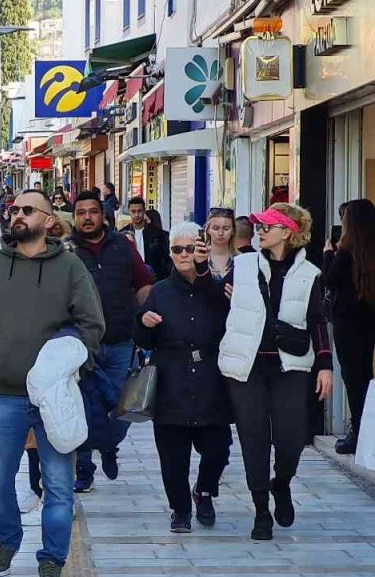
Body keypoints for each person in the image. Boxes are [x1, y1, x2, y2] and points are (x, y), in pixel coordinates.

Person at [0, 189, 106, 577]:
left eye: (26, 210)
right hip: (3, 392)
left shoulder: (71, 268)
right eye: (13, 210)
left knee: (58, 484)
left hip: (55, 395)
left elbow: (92, 325)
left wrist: (67, 355)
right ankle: (8, 539)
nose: (16, 215)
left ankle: (52, 559)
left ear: (48, 220)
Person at [219, 204, 333, 541]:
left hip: (291, 367)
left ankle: (280, 483)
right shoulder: (240, 266)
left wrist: (324, 365)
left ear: (288, 232)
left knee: (291, 439)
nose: (260, 231)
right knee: (254, 440)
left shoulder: (310, 273)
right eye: (258, 226)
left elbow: (318, 321)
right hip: (247, 367)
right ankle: (260, 512)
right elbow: (215, 300)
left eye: (268, 226)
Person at [136, 222, 233, 533]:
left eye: (190, 248)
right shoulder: (159, 291)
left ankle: (204, 491)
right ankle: (180, 510)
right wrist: (145, 324)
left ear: (201, 250)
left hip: (211, 383)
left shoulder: (217, 290)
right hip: (171, 384)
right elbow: (144, 342)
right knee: (173, 458)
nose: (183, 254)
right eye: (177, 249)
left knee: (218, 448)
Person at [69, 190, 154, 493]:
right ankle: (83, 467)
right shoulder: (67, 252)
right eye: (82, 212)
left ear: (103, 215)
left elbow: (143, 282)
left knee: (122, 407)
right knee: (80, 407)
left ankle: (107, 444)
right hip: (81, 346)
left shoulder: (123, 245)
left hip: (121, 341)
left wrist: (144, 319)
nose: (88, 217)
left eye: (93, 211)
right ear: (75, 217)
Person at [325, 198, 375, 454]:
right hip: (368, 321)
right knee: (365, 376)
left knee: (354, 379)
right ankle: (365, 432)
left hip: (348, 323)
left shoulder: (344, 254)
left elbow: (329, 280)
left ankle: (359, 433)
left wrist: (327, 254)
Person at [121, 197, 171, 280]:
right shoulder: (122, 234)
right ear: (129, 212)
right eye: (133, 211)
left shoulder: (158, 235)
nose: (137, 215)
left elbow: (165, 259)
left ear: (144, 211)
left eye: (139, 211)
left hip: (154, 278)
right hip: (131, 277)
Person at [205, 207, 237, 280]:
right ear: (208, 230)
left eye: (226, 229)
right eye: (215, 228)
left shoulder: (241, 260)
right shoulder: (199, 258)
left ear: (233, 231)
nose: (220, 233)